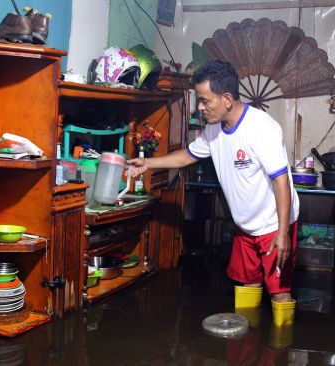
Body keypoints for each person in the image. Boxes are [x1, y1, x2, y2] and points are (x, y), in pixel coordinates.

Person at [127, 60, 300, 325]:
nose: (200, 107)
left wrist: (283, 233)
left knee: (279, 292)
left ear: (227, 99)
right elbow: (187, 156)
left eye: (205, 101)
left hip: (273, 224)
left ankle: (281, 349)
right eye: (199, 100)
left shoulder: (261, 129)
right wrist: (148, 163)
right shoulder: (214, 129)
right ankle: (247, 345)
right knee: (246, 284)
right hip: (246, 225)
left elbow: (281, 182)